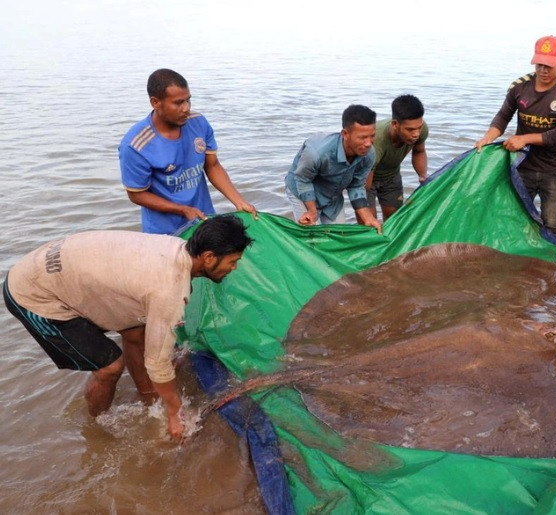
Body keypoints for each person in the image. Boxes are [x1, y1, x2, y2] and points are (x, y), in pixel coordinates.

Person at [3, 214, 254, 440]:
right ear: (209, 258)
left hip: (57, 267)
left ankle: (146, 393)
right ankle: (97, 427)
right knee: (110, 367)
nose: (234, 268)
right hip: (33, 294)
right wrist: (175, 411)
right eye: (232, 262)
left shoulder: (173, 247)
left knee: (136, 330)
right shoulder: (168, 289)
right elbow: (158, 363)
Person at [120, 68, 257, 235]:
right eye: (178, 103)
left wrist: (238, 201)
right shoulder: (136, 145)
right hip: (164, 232)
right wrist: (182, 209)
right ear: (155, 102)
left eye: (188, 101)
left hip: (204, 220)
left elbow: (212, 166)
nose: (186, 108)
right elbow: (137, 195)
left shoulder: (198, 123)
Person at [475, 35, 556, 234]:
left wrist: (524, 138)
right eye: (539, 64)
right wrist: (488, 137)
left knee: (550, 222)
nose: (543, 70)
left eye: (549, 65)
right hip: (523, 165)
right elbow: (503, 115)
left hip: (554, 169)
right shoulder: (520, 86)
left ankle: (547, 260)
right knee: (514, 218)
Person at [285, 104, 383, 234]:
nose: (368, 143)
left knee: (339, 237)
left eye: (372, 136)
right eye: (362, 137)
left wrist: (368, 217)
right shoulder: (316, 152)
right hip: (302, 189)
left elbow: (356, 186)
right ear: (345, 134)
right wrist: (312, 211)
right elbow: (302, 179)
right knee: (313, 238)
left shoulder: (369, 154)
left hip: (332, 195)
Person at [364, 94, 429, 221]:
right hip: (366, 178)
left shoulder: (421, 129)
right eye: (410, 130)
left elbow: (419, 152)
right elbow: (365, 184)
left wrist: (422, 175)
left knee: (395, 220)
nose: (416, 134)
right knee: (369, 225)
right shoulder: (376, 141)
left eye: (419, 128)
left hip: (391, 176)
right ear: (395, 124)